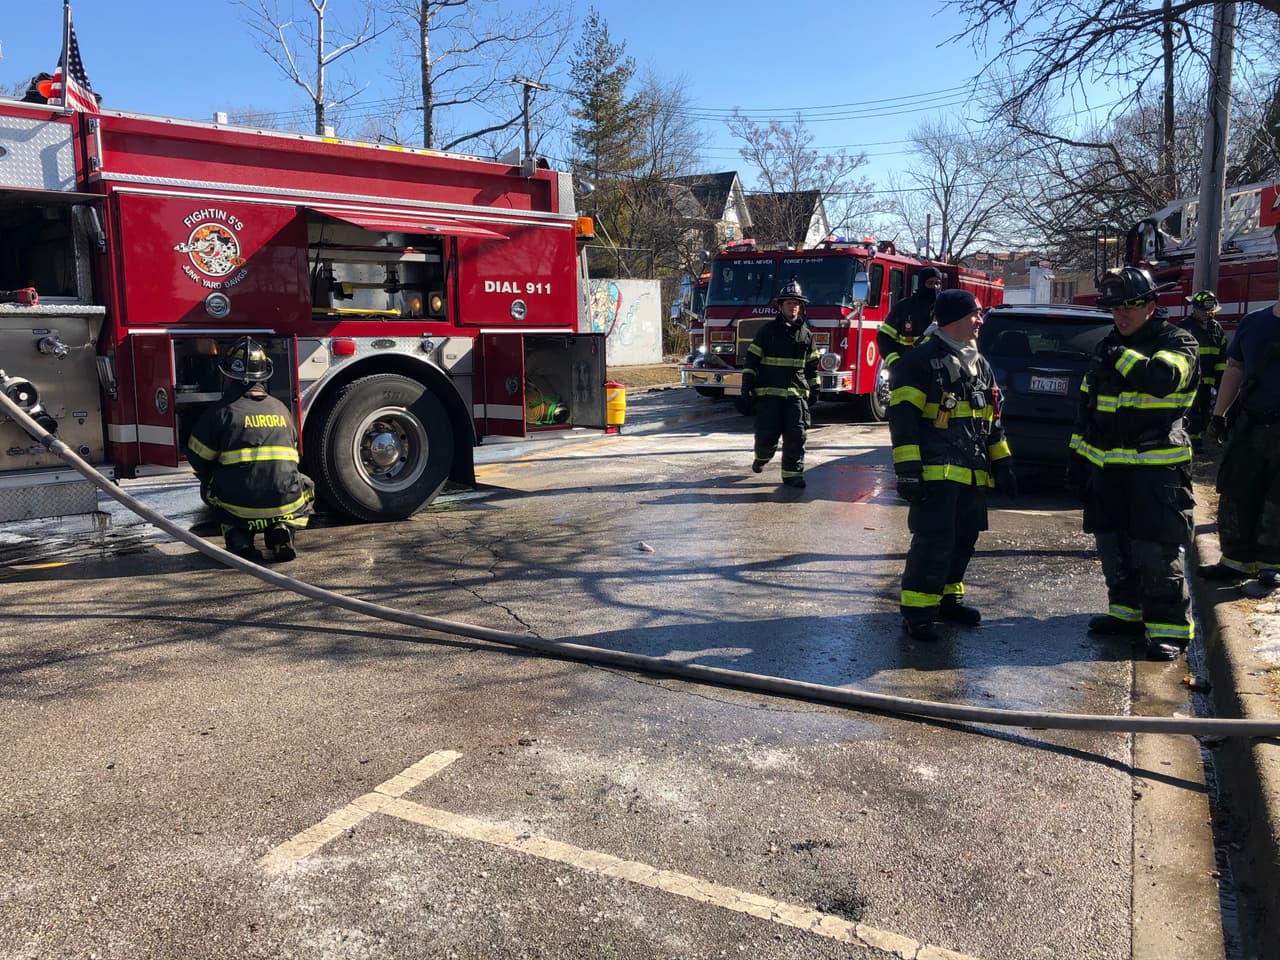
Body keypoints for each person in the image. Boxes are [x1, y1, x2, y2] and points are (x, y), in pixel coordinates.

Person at [1067, 266, 1200, 661]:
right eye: (1115, 309)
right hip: (1108, 469)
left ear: (1150, 306)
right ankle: (1126, 614)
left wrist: (1119, 355)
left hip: (1156, 470)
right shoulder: (1107, 345)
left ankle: (1169, 630)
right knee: (1112, 545)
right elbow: (1087, 408)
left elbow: (1161, 379)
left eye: (1128, 307)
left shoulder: (1178, 341)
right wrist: (1077, 460)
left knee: (1154, 550)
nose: (1121, 315)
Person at [888, 288, 1016, 642]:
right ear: (955, 318)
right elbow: (903, 420)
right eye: (975, 314)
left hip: (972, 474)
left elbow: (991, 420)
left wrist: (1003, 463)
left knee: (963, 541)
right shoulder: (919, 361)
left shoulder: (980, 364)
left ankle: (948, 601)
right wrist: (908, 472)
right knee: (934, 543)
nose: (980, 321)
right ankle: (918, 613)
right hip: (935, 475)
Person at [1199, 231, 1280, 593]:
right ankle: (1235, 561)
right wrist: (1218, 417)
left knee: (1277, 502)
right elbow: (1235, 369)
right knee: (1236, 493)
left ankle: (1272, 567)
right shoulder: (1254, 323)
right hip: (1250, 426)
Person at [186, 337, 314, 562]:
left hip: (240, 506)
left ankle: (240, 539)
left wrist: (216, 474)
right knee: (306, 484)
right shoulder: (281, 409)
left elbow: (197, 458)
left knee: (210, 487)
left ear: (228, 376)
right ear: (264, 375)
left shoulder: (220, 413)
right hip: (284, 502)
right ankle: (282, 528)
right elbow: (294, 456)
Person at [742, 278, 820, 489]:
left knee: (797, 436)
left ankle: (793, 475)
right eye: (789, 303)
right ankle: (762, 457)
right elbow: (751, 361)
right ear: (780, 306)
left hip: (795, 396)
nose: (793, 307)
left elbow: (812, 367)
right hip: (769, 397)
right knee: (766, 437)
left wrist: (815, 388)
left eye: (796, 303)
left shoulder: (806, 335)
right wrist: (747, 385)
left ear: (800, 307)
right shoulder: (766, 332)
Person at [1180, 289, 1229, 451]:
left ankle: (1202, 436)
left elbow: (1221, 354)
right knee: (1192, 409)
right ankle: (1193, 439)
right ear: (1194, 308)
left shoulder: (1216, 328)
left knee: (1206, 408)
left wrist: (1220, 377)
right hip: (1191, 378)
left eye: (1209, 310)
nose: (1206, 313)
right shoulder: (1185, 327)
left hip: (1209, 378)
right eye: (1203, 310)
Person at [877, 265, 943, 369]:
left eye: (937, 283)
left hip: (938, 369)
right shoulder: (904, 307)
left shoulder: (945, 307)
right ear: (921, 284)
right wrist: (895, 362)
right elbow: (884, 338)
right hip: (909, 367)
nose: (934, 287)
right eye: (930, 283)